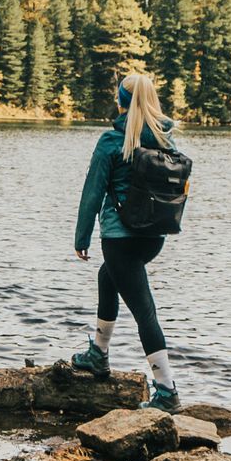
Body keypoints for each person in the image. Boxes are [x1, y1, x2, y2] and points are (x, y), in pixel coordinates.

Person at [70, 68, 183, 412]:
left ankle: (167, 392)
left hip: (119, 238)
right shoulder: (165, 139)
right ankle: (99, 354)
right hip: (153, 238)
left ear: (121, 102)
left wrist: (82, 236)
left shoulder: (111, 141)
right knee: (109, 276)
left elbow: (92, 192)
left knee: (144, 312)